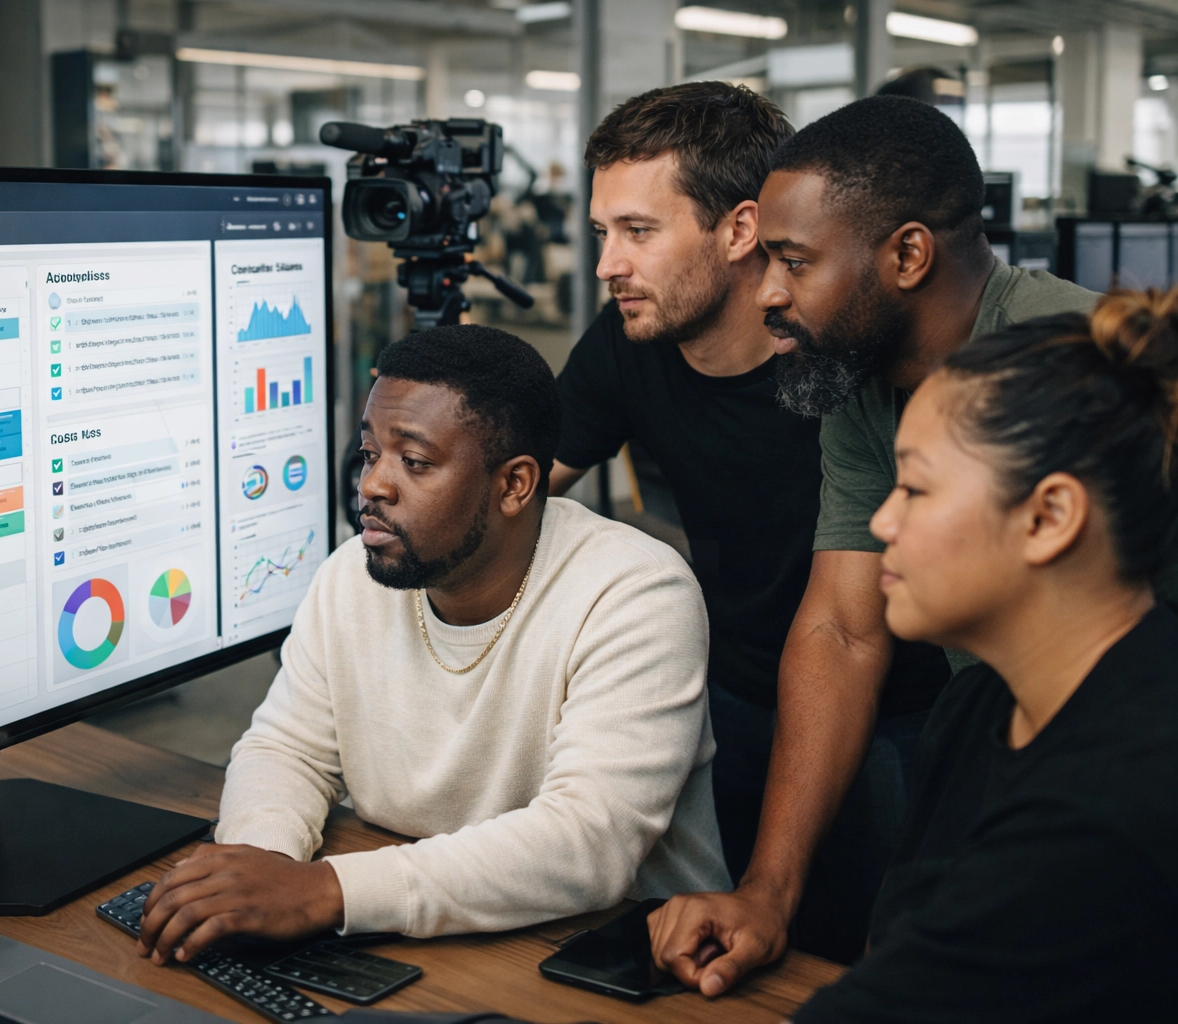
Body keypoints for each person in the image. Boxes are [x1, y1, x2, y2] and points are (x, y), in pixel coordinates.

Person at [649, 95, 1101, 989]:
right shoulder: (862, 377)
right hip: (1001, 756)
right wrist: (767, 892)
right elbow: (844, 628)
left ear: (906, 254)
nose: (766, 291)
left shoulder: (1077, 367)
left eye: (793, 260)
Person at [135, 324, 729, 965]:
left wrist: (322, 892)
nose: (372, 487)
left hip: (615, 963)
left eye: (414, 462)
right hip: (434, 939)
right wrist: (260, 868)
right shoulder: (350, 576)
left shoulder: (636, 593)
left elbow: (588, 844)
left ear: (515, 485)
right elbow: (287, 749)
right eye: (370, 454)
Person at [789, 291, 1178, 1021]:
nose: (881, 519)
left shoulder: (1123, 798)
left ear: (1048, 516)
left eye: (916, 487)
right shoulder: (979, 706)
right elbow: (901, 960)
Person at [551, 82, 838, 901]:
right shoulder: (629, 335)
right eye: (604, 231)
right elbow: (523, 486)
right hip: (729, 683)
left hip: (888, 698)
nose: (608, 264)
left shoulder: (837, 355)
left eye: (639, 231)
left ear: (740, 227)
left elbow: (850, 626)